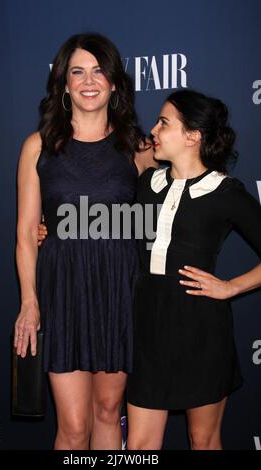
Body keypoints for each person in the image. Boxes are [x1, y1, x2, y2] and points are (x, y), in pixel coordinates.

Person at [13, 32, 156, 450]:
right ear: (63, 83)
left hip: (119, 289)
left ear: (114, 83)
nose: (88, 81)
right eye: (77, 71)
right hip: (63, 290)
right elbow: (25, 232)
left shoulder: (139, 147)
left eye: (99, 71)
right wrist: (29, 302)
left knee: (110, 412)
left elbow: (178, 196)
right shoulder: (37, 147)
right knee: (74, 428)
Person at [126, 89, 261, 450]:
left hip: (202, 332)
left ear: (193, 135)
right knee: (139, 448)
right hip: (148, 330)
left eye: (164, 122)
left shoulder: (225, 191)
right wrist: (52, 227)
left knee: (202, 440)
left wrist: (231, 287)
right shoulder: (147, 183)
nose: (153, 128)